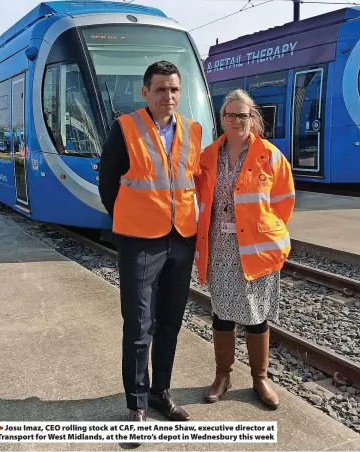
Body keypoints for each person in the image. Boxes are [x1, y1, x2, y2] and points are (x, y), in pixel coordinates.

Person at [99, 61, 202, 423]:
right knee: (139, 325)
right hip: (140, 241)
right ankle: (137, 404)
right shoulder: (125, 128)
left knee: (171, 322)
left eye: (174, 89)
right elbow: (107, 184)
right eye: (160, 89)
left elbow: (191, 181)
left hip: (182, 239)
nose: (168, 96)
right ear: (145, 92)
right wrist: (129, 219)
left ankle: (161, 393)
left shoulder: (193, 130)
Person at [194, 89, 295, 410]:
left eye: (243, 115)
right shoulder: (208, 156)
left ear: (254, 118)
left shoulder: (271, 156)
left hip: (257, 246)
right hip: (221, 247)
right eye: (230, 115)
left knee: (256, 315)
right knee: (222, 313)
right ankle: (222, 376)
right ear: (222, 119)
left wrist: (264, 228)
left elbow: (283, 202)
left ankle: (260, 379)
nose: (237, 120)